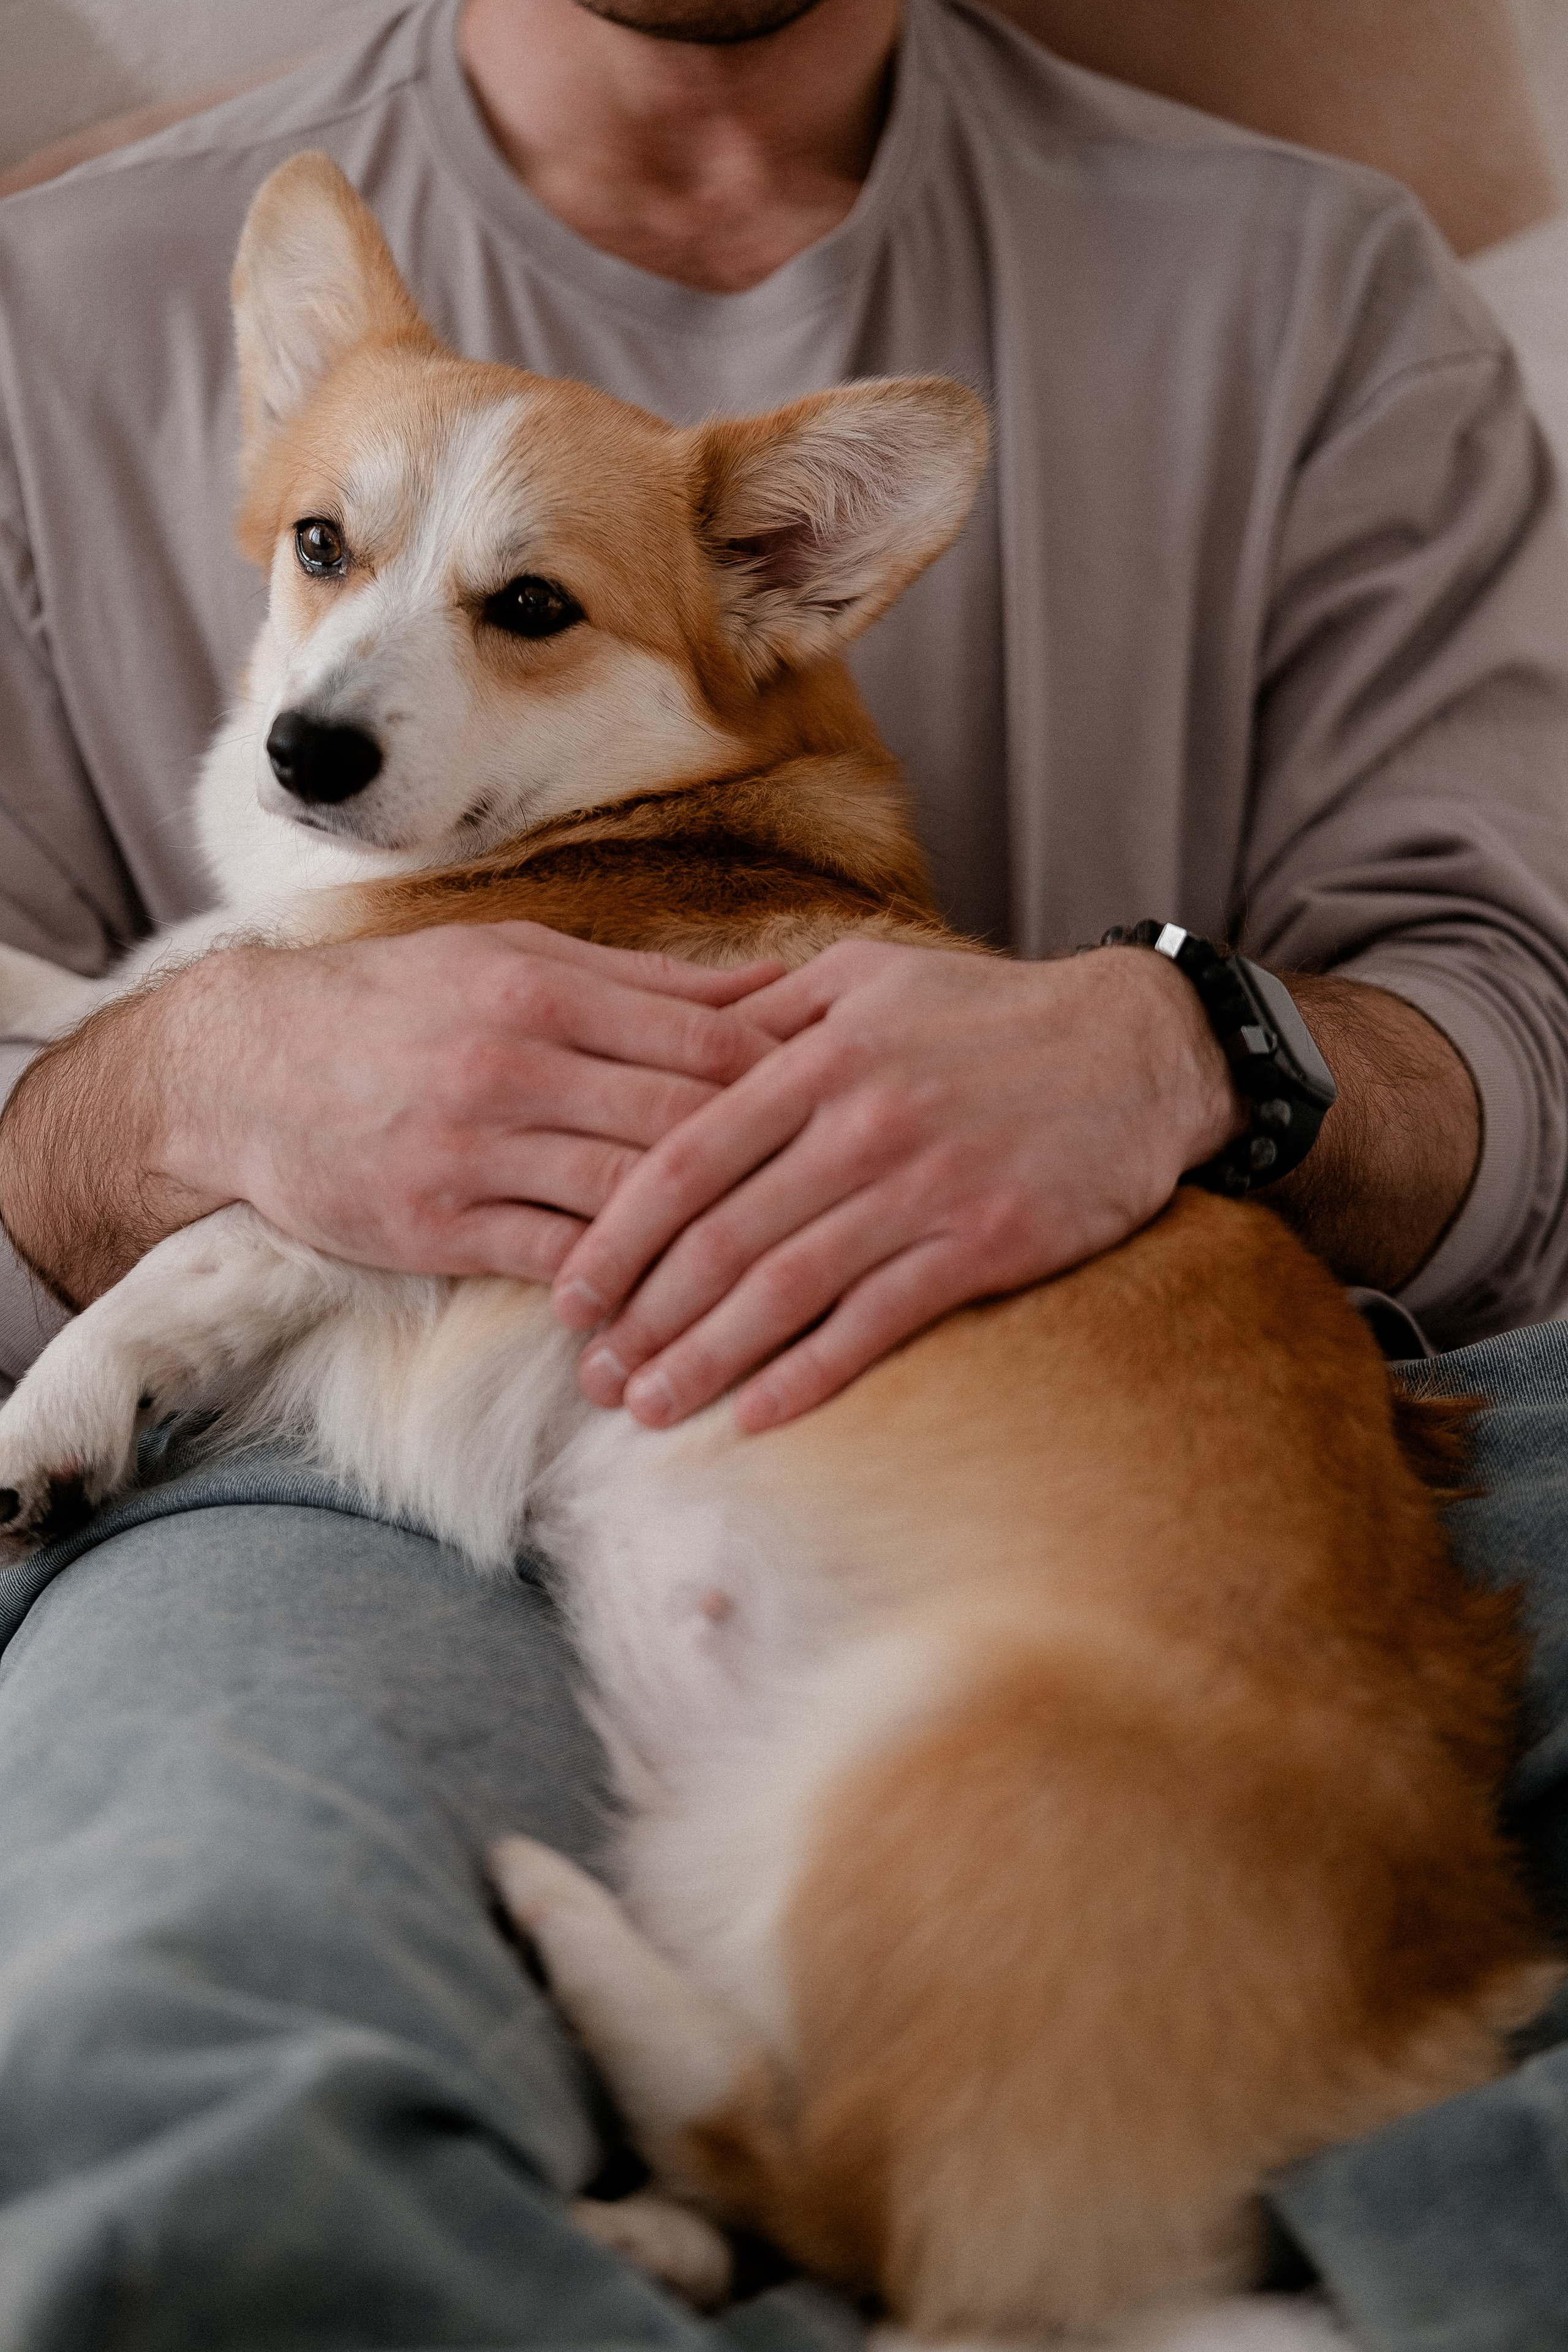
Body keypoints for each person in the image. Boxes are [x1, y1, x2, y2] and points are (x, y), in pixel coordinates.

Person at [0, 0, 1565, 2344]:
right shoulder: (55, 304)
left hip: (1258, 1387)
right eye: (326, 554)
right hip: (333, 1468)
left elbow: (1524, 1017)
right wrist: (178, 1093)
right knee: (186, 2031)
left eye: (527, 607)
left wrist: (1191, 1042)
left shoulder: (1315, 280)